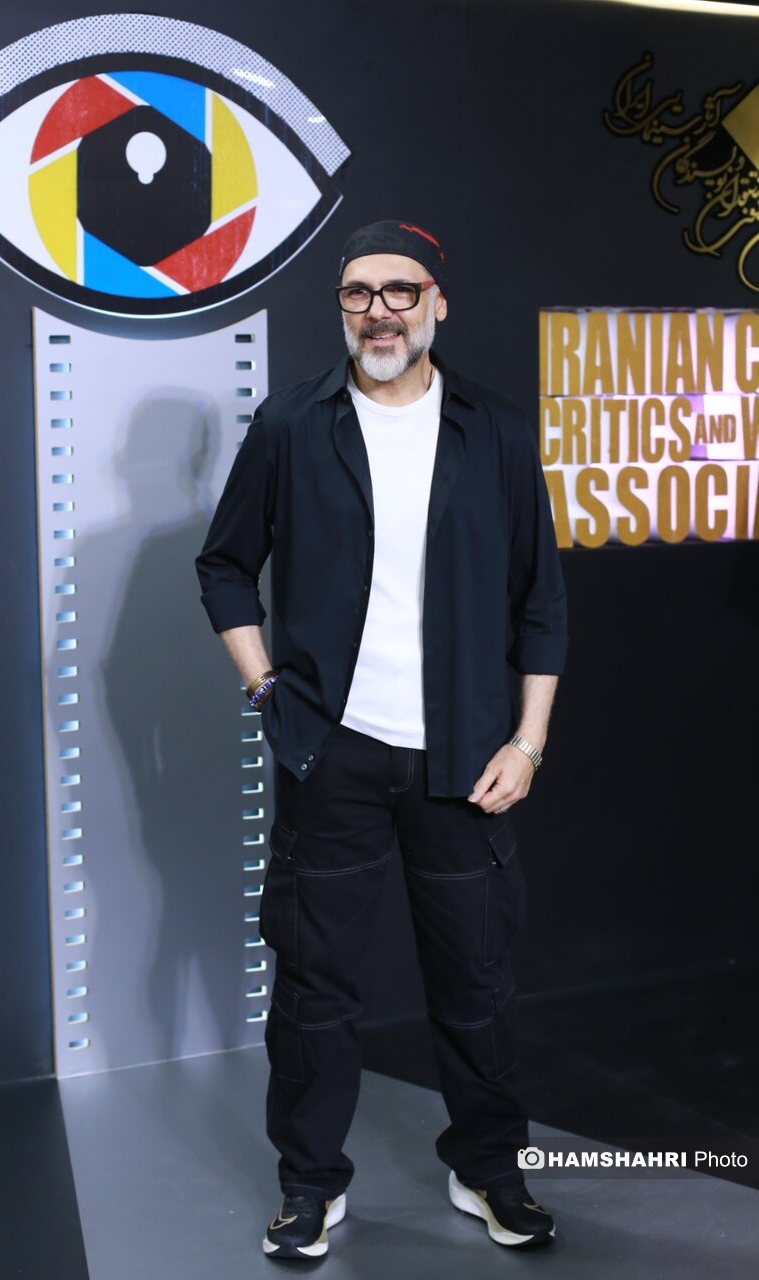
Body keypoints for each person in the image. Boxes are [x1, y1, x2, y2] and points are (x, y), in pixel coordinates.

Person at [196, 220, 568, 1261]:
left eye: (400, 290)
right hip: (333, 758)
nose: (379, 311)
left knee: (476, 984)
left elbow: (540, 602)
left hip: (466, 760)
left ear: (437, 303)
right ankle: (309, 1185)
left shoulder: (494, 431)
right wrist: (267, 688)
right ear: (342, 308)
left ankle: (489, 1169)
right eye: (358, 292)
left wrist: (528, 743)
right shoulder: (291, 423)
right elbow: (224, 565)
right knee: (315, 990)